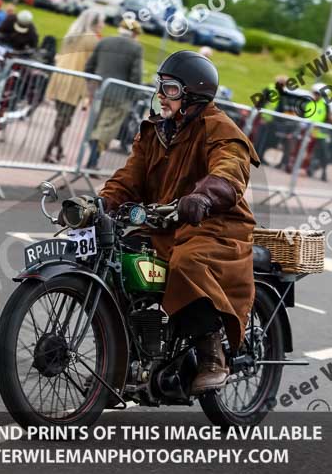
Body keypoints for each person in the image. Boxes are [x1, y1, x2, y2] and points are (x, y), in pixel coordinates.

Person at [99, 50, 260, 395]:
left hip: (216, 226)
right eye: (160, 87)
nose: (161, 96)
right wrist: (102, 202)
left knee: (186, 263)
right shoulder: (154, 132)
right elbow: (129, 178)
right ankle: (121, 359)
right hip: (165, 226)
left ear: (193, 96)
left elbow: (230, 172)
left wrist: (203, 197)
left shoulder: (221, 130)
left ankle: (211, 355)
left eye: (170, 89)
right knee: (118, 260)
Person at [42, 8, 105, 163]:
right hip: (74, 81)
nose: (103, 25)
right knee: (64, 119)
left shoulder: (72, 35)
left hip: (60, 77)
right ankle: (49, 151)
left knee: (61, 118)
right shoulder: (91, 39)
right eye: (101, 21)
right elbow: (92, 64)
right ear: (95, 22)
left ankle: (58, 149)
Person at [83, 18, 143, 169]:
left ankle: (92, 160)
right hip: (120, 95)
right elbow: (135, 76)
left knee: (95, 125)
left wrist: (91, 86)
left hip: (99, 90)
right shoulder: (135, 48)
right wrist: (134, 95)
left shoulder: (105, 41)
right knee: (106, 129)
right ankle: (92, 162)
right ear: (134, 34)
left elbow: (89, 66)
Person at [305, 83, 330, 181]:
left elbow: (327, 119)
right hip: (309, 133)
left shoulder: (325, 106)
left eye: (317, 94)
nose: (315, 95)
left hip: (321, 134)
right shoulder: (309, 104)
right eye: (314, 93)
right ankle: (309, 168)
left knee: (324, 154)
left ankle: (324, 172)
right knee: (309, 153)